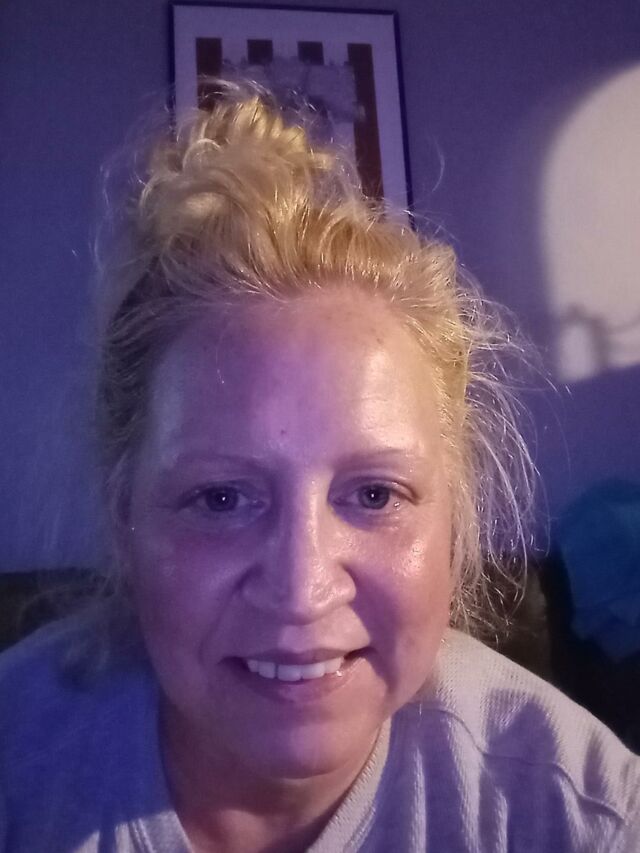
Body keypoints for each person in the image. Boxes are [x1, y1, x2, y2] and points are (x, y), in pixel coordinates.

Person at [1, 78, 638, 853]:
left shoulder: (578, 810)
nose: (302, 588)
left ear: (454, 520)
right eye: (221, 497)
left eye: (374, 494)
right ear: (124, 518)